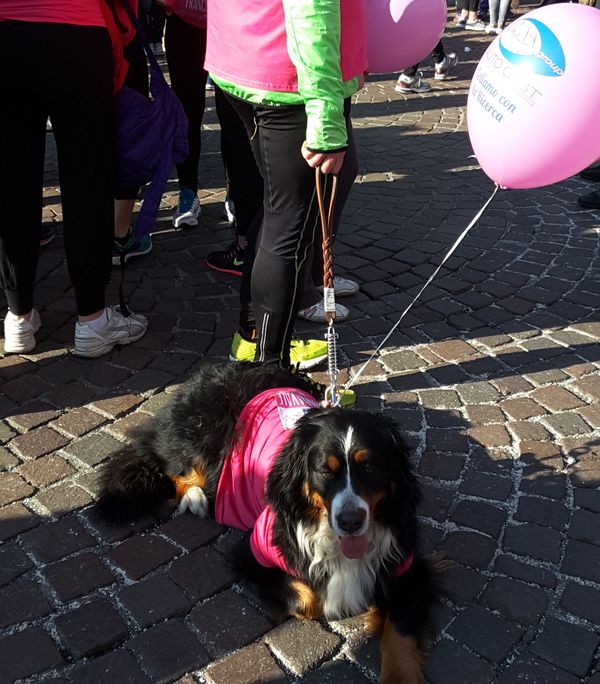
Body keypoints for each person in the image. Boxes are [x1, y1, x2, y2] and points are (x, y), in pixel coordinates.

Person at [204, 0, 367, 367]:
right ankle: (270, 370)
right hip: (288, 78)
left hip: (249, 54)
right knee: (289, 225)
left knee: (278, 213)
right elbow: (312, 9)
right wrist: (325, 114)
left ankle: (254, 342)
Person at [0, 1, 147, 357]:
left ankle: (18, 315)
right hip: (78, 33)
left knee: (12, 180)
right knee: (88, 179)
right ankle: (91, 317)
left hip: (8, 33)